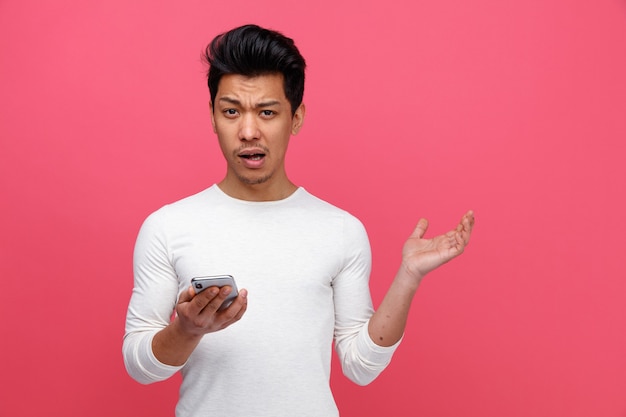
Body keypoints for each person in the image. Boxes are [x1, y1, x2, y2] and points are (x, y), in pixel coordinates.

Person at [123, 24, 475, 417]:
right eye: (231, 111)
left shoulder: (340, 230)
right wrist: (186, 330)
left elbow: (360, 366)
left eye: (267, 112)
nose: (248, 131)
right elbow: (140, 367)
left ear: (296, 118)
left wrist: (408, 276)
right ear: (212, 115)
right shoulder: (168, 226)